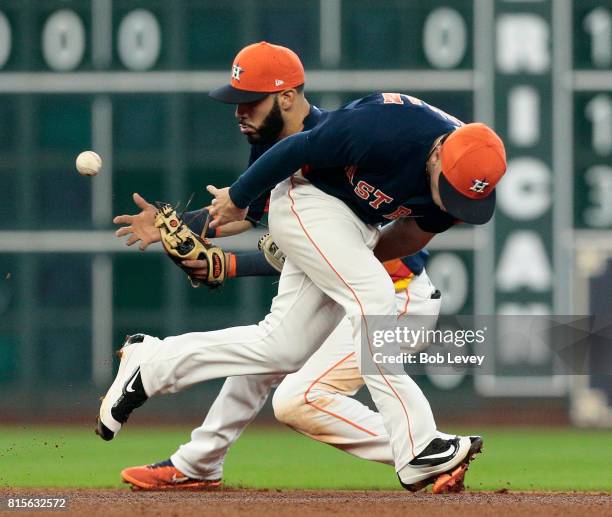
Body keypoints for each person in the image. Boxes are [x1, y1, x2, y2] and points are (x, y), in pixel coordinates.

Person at [99, 42, 505, 493]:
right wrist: (215, 212)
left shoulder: (461, 182)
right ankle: (418, 448)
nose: (240, 111)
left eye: (251, 100)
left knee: (282, 349)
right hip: (313, 205)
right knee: (367, 303)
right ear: (438, 154)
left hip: (394, 273)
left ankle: (151, 362)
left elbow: (407, 237)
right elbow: (273, 179)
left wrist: (252, 258)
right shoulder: (382, 128)